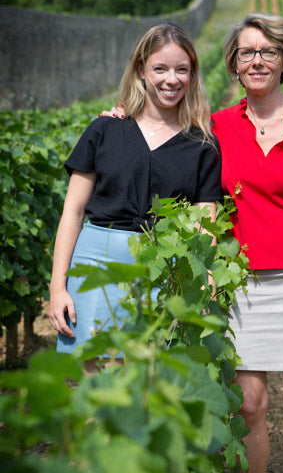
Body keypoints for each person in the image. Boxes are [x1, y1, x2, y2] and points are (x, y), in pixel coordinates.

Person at [100, 13, 283, 473]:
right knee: (251, 406)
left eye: (268, 52)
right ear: (234, 64)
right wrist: (120, 116)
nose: (257, 61)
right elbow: (155, 127)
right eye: (246, 52)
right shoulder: (213, 126)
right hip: (239, 278)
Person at [49, 22, 222, 370]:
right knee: (96, 381)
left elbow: (206, 224)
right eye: (160, 68)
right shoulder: (105, 129)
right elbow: (73, 210)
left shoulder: (202, 143)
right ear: (141, 70)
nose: (171, 80)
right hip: (96, 261)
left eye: (181, 70)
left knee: (149, 382)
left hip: (164, 267)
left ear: (192, 75)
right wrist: (57, 285)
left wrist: (207, 283)